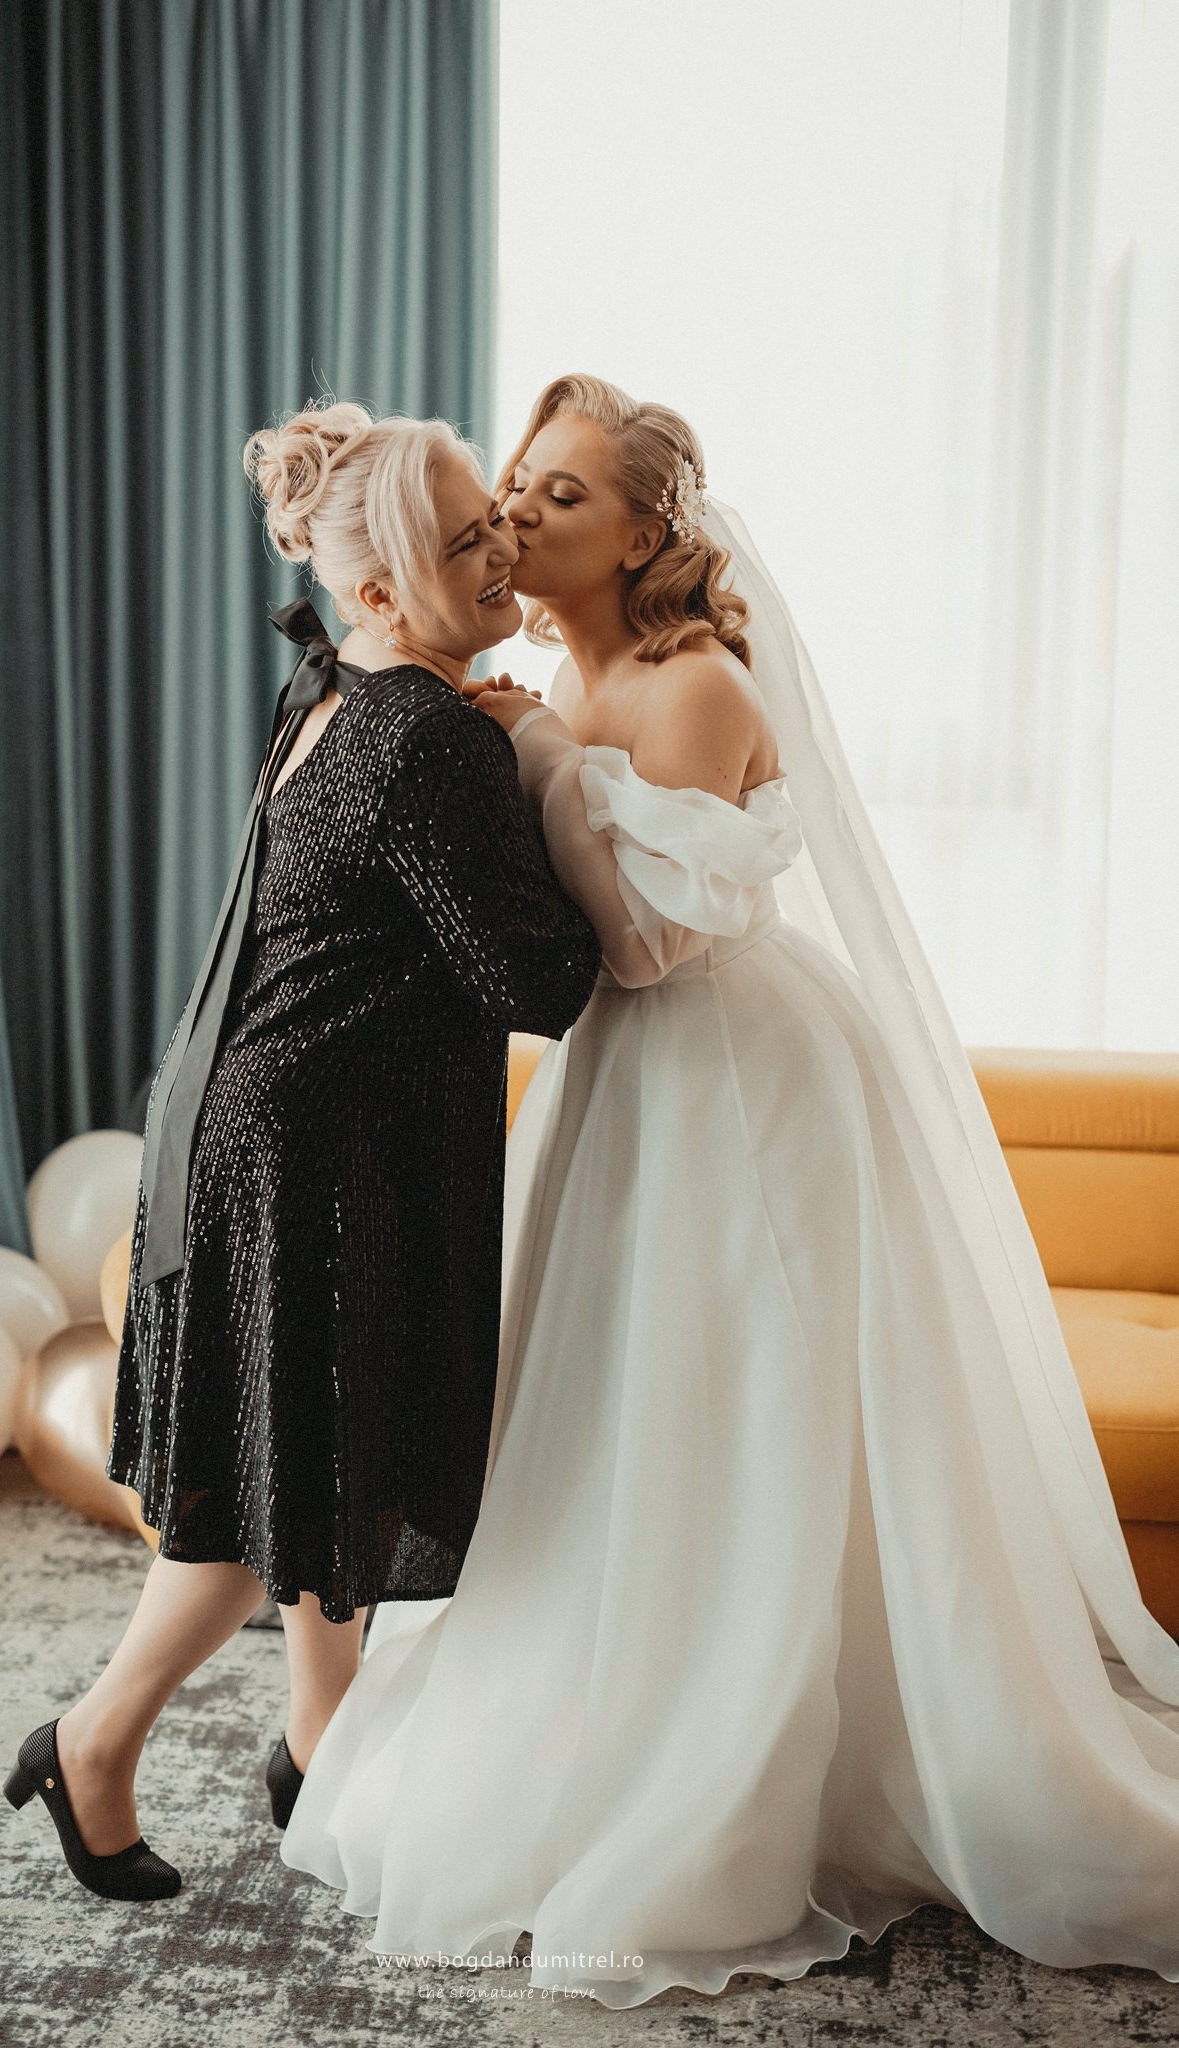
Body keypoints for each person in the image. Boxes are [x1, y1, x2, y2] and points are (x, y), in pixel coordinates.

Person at [278, 374, 1179, 2006]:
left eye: (561, 493)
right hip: (630, 1081)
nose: (517, 513)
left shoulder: (686, 684)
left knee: (743, 1408)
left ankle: (748, 1756)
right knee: (621, 1414)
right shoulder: (553, 678)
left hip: (734, 1077)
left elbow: (650, 941)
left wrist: (538, 749)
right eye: (517, 486)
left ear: (644, 535)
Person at [0, 399, 603, 1901]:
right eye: (465, 544)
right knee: (259, 1499)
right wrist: (568, 776)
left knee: (316, 1465)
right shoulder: (435, 741)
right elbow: (539, 980)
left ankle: (319, 1747)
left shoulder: (334, 690)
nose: (503, 553)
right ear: (383, 591)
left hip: (257, 1129)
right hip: (323, 1165)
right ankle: (92, 1741)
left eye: (495, 521)